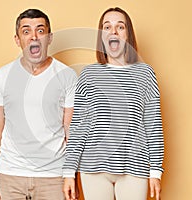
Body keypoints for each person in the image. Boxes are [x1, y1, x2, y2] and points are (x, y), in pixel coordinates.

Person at [63, 7, 164, 200]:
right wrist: (68, 172)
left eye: (120, 27)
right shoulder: (88, 75)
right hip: (94, 169)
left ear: (128, 35)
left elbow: (153, 125)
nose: (114, 32)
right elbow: (78, 126)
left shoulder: (145, 74)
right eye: (107, 27)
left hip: (135, 166)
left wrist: (155, 172)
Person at [0, 8, 77, 200]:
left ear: (49, 38)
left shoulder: (67, 76)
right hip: (11, 175)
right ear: (17, 39)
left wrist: (72, 177)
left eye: (40, 30)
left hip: (54, 176)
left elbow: (71, 131)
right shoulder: (1, 76)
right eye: (26, 31)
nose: (34, 37)